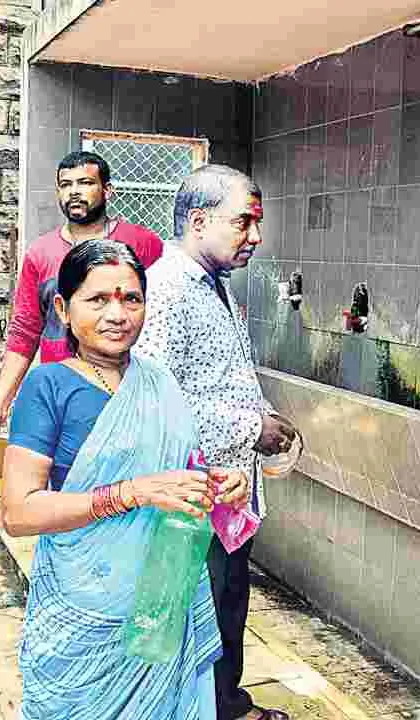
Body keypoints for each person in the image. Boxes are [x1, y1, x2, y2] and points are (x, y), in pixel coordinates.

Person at [1, 239, 250, 720]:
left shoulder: (160, 382)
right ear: (63, 309)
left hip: (159, 602)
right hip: (83, 610)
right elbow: (19, 511)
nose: (117, 314)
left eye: (131, 299)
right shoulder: (47, 386)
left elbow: (179, 471)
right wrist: (131, 493)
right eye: (98, 299)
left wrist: (218, 484)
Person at [133, 165, 298, 720]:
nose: (256, 236)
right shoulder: (166, 289)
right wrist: (252, 429)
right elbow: (158, 399)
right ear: (199, 222)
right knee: (193, 614)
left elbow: (222, 377)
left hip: (229, 493)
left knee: (228, 603)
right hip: (192, 498)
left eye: (257, 222)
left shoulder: (216, 285)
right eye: (243, 222)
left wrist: (263, 415)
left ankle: (226, 703)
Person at [0, 151, 165, 435]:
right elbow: (25, 330)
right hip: (64, 395)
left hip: (128, 393)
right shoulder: (40, 253)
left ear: (107, 190)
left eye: (85, 183)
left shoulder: (142, 243)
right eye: (66, 185)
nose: (74, 192)